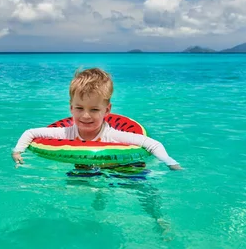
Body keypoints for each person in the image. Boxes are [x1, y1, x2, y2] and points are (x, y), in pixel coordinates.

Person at [11, 67, 183, 171]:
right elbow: (30, 132)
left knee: (140, 187)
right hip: (86, 167)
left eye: (94, 109)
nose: (85, 115)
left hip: (120, 168)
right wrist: (17, 152)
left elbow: (153, 144)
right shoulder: (65, 132)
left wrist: (171, 163)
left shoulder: (113, 135)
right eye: (79, 108)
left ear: (107, 110)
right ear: (71, 108)